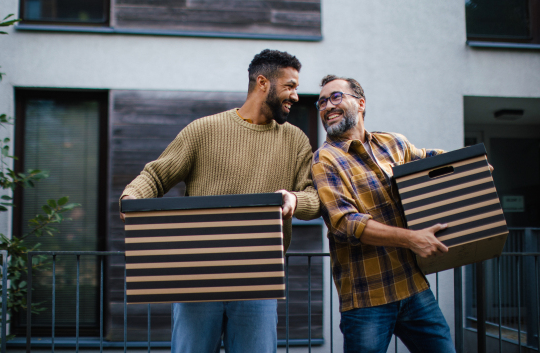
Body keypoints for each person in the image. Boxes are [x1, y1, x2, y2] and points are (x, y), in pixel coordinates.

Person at [119, 49, 320, 353]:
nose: (295, 95)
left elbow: (314, 197)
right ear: (262, 82)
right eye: (290, 86)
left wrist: (294, 199)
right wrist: (132, 197)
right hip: (197, 275)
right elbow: (156, 176)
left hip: (258, 279)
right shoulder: (204, 130)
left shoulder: (296, 140)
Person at [311, 75, 456, 353]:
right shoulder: (325, 159)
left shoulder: (393, 144)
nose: (327, 106)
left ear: (361, 103)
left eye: (336, 97)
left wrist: (472, 164)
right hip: (367, 297)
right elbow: (344, 223)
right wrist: (412, 239)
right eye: (321, 102)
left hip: (413, 287)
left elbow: (430, 160)